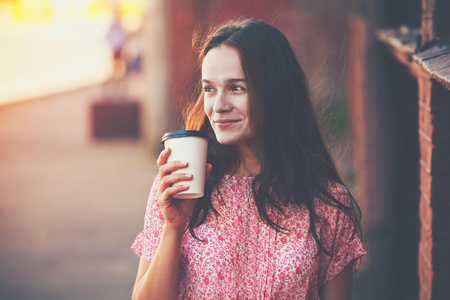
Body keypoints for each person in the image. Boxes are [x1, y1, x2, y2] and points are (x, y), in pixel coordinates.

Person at [131, 19, 365, 300]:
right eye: (209, 89)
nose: (218, 106)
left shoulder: (326, 203)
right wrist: (173, 227)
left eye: (237, 88)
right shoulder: (181, 183)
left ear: (275, 91)